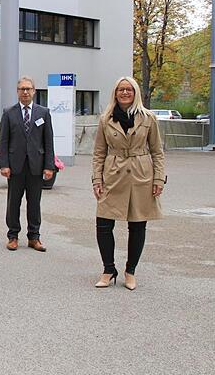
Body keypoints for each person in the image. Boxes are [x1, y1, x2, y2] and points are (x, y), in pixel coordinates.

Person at [91, 77, 164, 290]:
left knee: (138, 224)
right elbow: (98, 153)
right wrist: (97, 179)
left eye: (129, 89)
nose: (124, 93)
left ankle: (130, 271)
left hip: (141, 174)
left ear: (135, 93)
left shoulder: (148, 118)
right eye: (121, 89)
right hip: (113, 174)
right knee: (103, 224)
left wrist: (159, 178)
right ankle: (108, 269)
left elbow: (158, 152)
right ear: (115, 93)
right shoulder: (106, 119)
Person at [0, 76, 55, 252]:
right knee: (13, 203)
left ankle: (34, 237)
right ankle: (13, 236)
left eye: (28, 89)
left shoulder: (43, 112)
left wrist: (49, 166)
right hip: (15, 167)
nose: (25, 92)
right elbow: (4, 141)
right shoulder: (9, 112)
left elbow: (48, 141)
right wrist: (4, 164)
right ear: (17, 92)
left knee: (34, 203)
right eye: (22, 89)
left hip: (36, 166)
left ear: (34, 91)